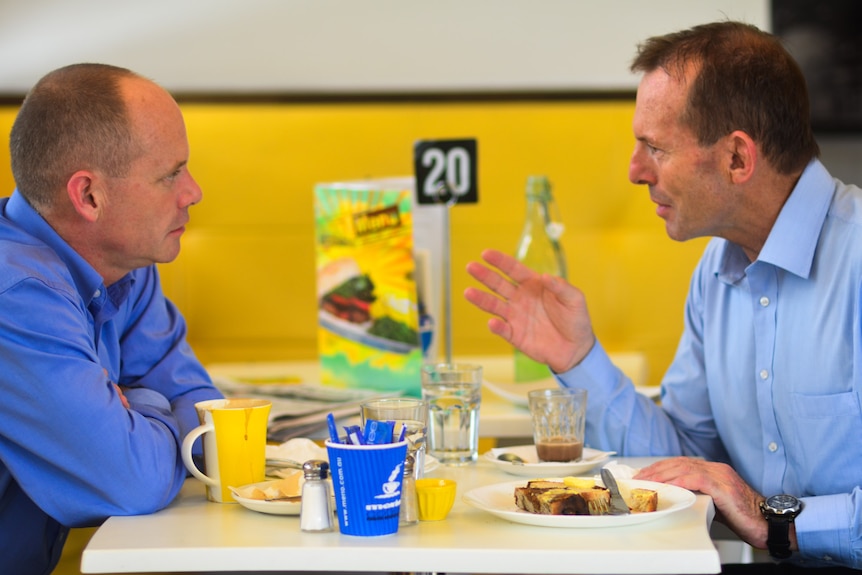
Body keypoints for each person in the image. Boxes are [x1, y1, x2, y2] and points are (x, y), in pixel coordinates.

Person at [465, 21, 862, 573]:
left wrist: (774, 520)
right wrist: (580, 361)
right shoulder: (716, 273)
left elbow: (751, 510)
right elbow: (685, 458)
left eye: (655, 147)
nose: (634, 171)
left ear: (738, 160)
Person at [0, 63, 224, 575]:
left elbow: (211, 419)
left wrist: (129, 410)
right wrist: (148, 406)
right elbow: (133, 480)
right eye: (171, 174)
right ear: (89, 196)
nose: (193, 192)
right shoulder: (14, 295)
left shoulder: (122, 260)